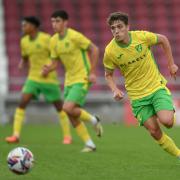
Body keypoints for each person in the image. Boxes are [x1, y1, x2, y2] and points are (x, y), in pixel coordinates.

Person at [103, 11, 180, 158]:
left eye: (119, 26)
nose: (116, 31)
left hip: (155, 87)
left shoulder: (141, 37)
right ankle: (178, 154)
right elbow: (108, 75)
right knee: (154, 131)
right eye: (113, 28)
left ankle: (162, 110)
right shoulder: (110, 51)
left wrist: (171, 64)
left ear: (127, 27)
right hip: (137, 97)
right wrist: (115, 90)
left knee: (167, 122)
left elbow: (163, 39)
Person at [42, 10, 103, 152]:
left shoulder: (75, 36)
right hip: (69, 80)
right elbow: (55, 63)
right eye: (52, 21)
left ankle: (94, 120)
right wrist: (47, 69)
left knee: (67, 108)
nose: (54, 24)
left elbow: (95, 49)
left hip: (82, 77)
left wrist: (93, 72)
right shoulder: (53, 41)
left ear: (65, 22)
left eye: (57, 21)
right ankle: (90, 143)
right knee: (70, 113)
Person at [5, 16, 72, 144]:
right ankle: (16, 135)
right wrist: (22, 63)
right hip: (33, 78)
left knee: (59, 107)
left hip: (49, 78)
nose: (23, 27)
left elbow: (56, 56)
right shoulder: (23, 41)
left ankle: (67, 136)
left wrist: (49, 69)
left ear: (33, 26)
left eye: (25, 25)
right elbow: (25, 56)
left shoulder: (46, 39)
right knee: (22, 102)